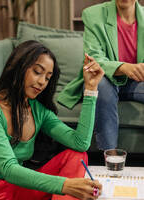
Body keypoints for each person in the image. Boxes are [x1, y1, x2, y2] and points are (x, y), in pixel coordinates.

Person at [0, 40, 103, 200]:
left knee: (75, 156)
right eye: (37, 72)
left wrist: (90, 89)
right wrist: (66, 186)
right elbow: (9, 169)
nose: (42, 82)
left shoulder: (38, 110)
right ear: (19, 66)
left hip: (19, 190)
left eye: (48, 77)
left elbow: (80, 143)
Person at [58, 0, 144, 150]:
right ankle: (109, 158)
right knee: (101, 85)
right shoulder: (93, 15)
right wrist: (123, 67)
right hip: (106, 79)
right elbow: (93, 59)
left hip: (137, 82)